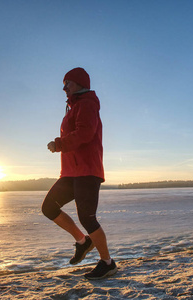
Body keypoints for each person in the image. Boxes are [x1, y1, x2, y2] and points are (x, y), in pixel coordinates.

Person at [42, 67, 117, 280]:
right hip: (70, 172)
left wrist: (59, 144)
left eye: (69, 83)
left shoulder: (87, 104)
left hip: (87, 170)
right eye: (64, 83)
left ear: (81, 84)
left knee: (87, 217)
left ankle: (107, 263)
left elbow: (85, 133)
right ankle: (83, 242)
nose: (64, 87)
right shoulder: (72, 106)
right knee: (49, 207)